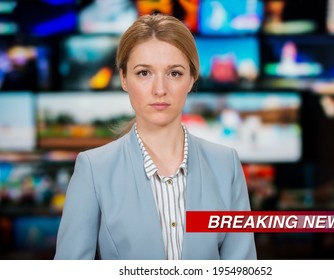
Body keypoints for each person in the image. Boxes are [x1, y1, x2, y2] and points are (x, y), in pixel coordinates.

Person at [54, 13, 257, 260]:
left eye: (174, 73)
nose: (160, 90)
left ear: (192, 79)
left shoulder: (226, 165)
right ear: (124, 79)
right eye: (143, 73)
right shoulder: (93, 169)